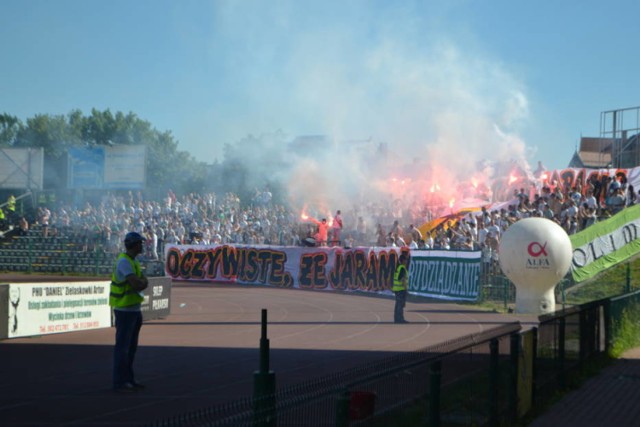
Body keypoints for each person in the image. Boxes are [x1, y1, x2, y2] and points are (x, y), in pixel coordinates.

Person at [110, 231, 149, 393]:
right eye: (140, 243)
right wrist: (143, 282)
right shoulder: (125, 262)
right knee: (123, 348)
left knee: (131, 348)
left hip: (133, 309)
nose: (142, 245)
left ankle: (128, 378)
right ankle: (120, 380)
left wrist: (143, 281)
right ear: (134, 245)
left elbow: (142, 281)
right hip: (125, 310)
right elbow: (138, 284)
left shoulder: (133, 261)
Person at [392, 252, 409, 323]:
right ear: (403, 260)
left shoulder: (398, 267)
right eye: (406, 260)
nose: (407, 261)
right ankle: (400, 319)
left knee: (397, 305)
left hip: (396, 289)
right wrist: (405, 288)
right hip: (400, 289)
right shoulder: (402, 268)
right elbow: (402, 279)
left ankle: (396, 318)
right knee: (400, 305)